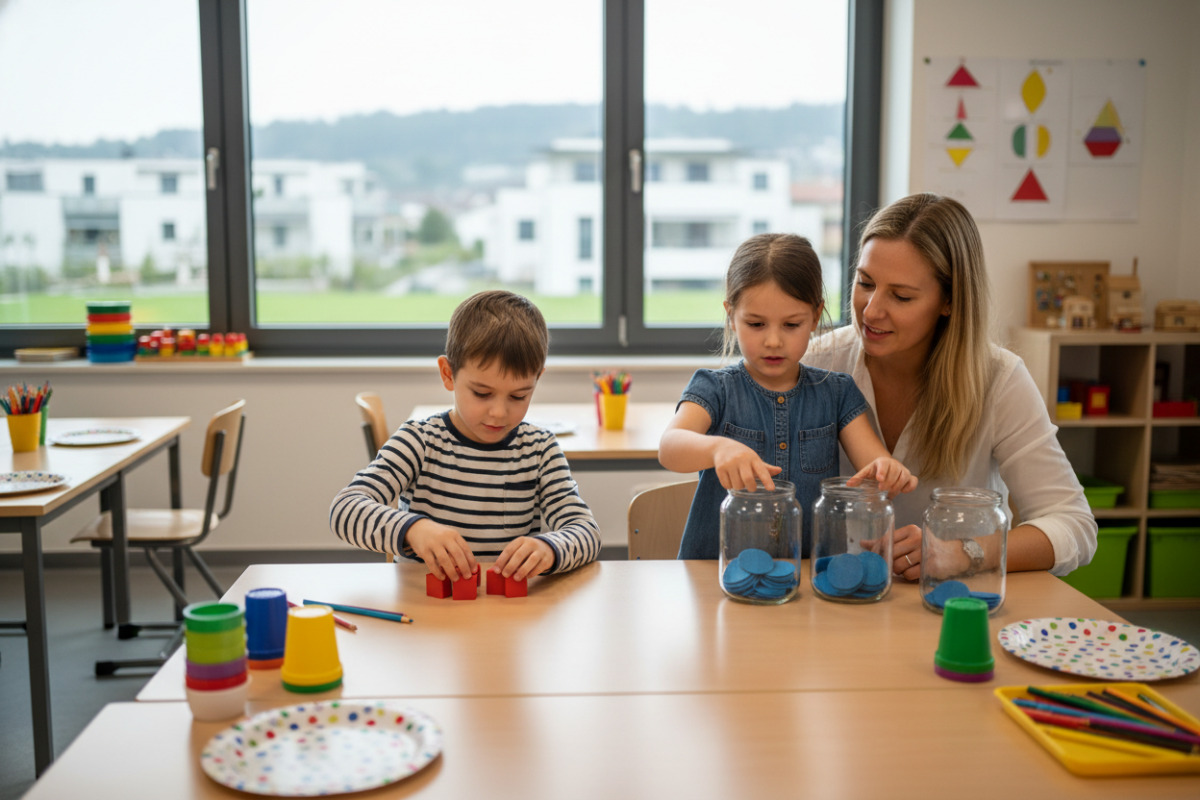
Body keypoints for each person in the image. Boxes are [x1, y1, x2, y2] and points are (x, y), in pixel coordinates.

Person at [802, 193, 1097, 580]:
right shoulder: (817, 362)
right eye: (865, 282)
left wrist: (965, 553)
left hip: (952, 601)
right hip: (837, 596)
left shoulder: (999, 379)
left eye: (901, 296)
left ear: (949, 301)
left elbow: (1074, 525)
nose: (871, 310)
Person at [659, 233, 918, 559]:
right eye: (755, 324)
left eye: (791, 324)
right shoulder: (716, 388)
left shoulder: (837, 392)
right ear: (731, 315)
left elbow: (875, 463)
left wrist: (887, 470)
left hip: (807, 579)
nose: (772, 341)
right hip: (716, 575)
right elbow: (669, 447)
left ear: (814, 316)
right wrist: (717, 448)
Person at [329, 290, 601, 582]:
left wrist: (549, 548)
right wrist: (412, 529)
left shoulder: (540, 450)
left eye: (519, 395)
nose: (499, 412)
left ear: (537, 380)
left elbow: (586, 531)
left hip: (509, 614)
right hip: (424, 610)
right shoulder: (420, 442)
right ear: (448, 374)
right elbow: (345, 509)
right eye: (482, 393)